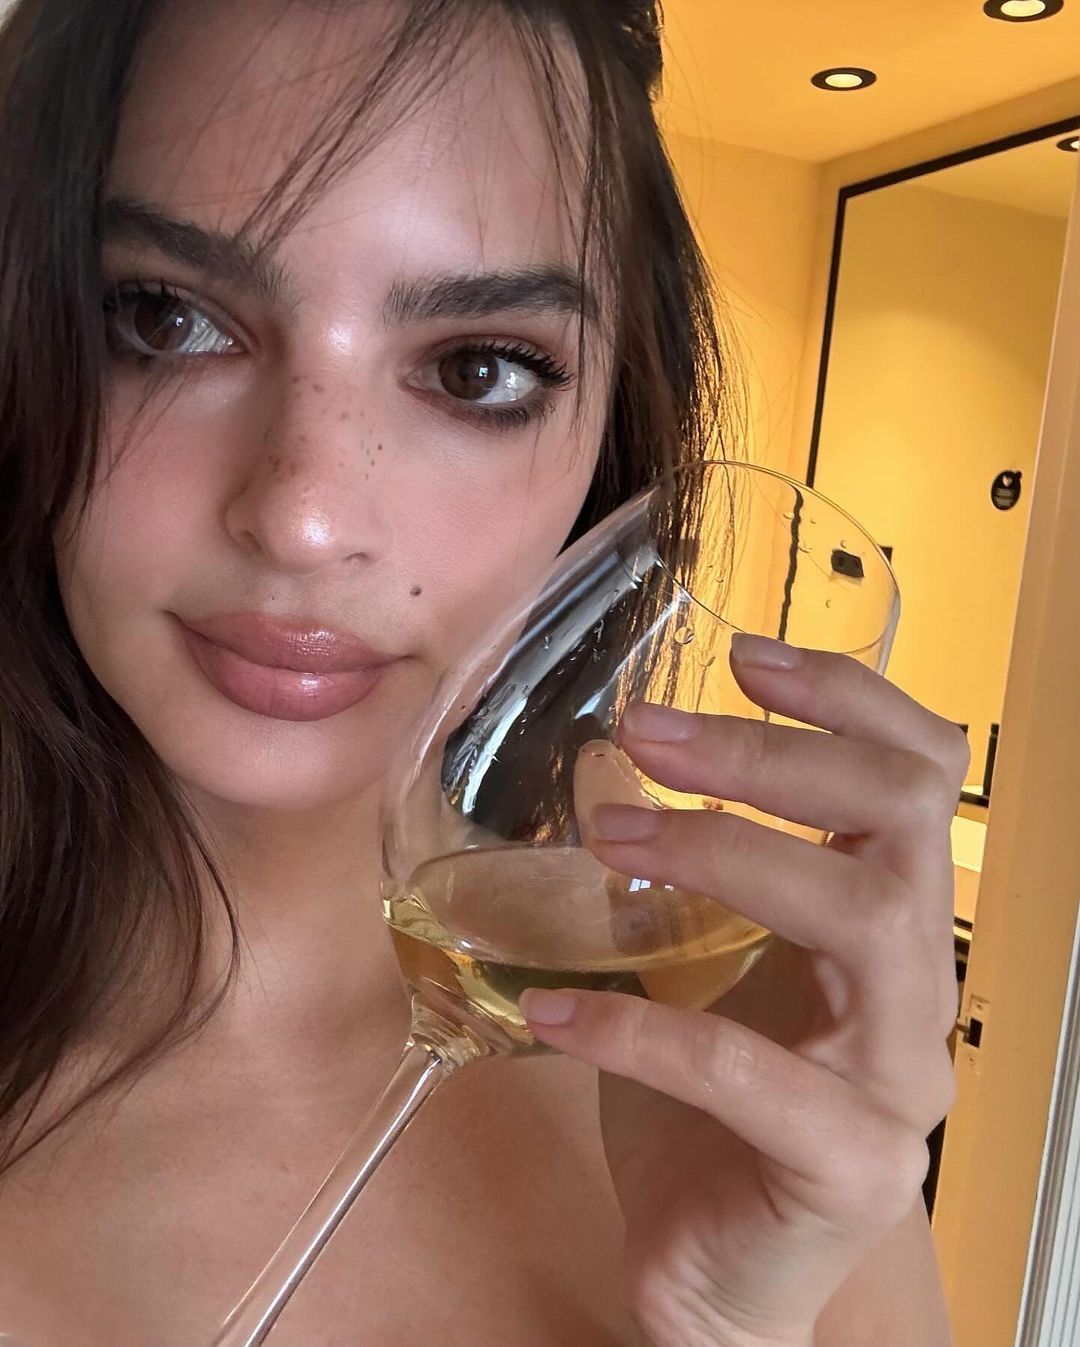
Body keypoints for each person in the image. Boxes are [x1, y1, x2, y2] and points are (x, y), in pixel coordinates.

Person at [0, 1, 968, 1343]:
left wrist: (733, 1327)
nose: (304, 518)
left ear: (606, 440)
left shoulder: (759, 1116)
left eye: (476, 370)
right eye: (165, 320)